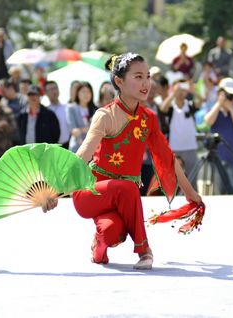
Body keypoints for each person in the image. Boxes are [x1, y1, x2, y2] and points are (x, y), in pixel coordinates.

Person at [70, 53, 201, 269]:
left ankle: (99, 247)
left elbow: (167, 157)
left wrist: (189, 192)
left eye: (148, 76)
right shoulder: (105, 115)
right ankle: (144, 251)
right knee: (129, 189)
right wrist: (55, 188)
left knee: (112, 230)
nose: (146, 83)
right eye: (138, 77)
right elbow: (83, 154)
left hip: (120, 197)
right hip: (90, 191)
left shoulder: (148, 118)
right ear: (119, 82)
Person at [204, 78, 233, 194]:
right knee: (217, 193)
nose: (231, 99)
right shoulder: (214, 109)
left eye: (232, 96)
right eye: (228, 95)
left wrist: (232, 109)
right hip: (218, 160)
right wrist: (219, 103)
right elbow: (208, 121)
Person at [160, 80, 199, 178]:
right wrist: (173, 94)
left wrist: (192, 91)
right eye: (179, 89)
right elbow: (163, 108)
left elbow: (202, 101)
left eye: (183, 90)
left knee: (192, 178)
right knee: (174, 178)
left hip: (191, 148)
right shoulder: (171, 106)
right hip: (174, 149)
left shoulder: (190, 105)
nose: (181, 92)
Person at [67, 82, 98, 153]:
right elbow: (74, 131)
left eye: (88, 92)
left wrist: (81, 130)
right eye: (83, 92)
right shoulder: (71, 108)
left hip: (93, 148)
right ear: (78, 93)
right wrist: (89, 129)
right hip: (77, 147)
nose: (86, 94)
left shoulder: (96, 109)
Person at [44, 81, 70, 149]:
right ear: (46, 93)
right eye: (51, 89)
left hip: (67, 145)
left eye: (55, 88)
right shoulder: (45, 111)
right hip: (51, 147)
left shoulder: (66, 107)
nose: (54, 91)